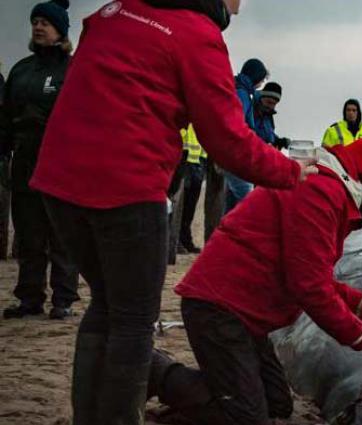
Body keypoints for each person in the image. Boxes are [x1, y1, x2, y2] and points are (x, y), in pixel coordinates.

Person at [28, 0, 317, 423]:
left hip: (58, 181)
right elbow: (228, 140)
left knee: (106, 305)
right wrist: (292, 173)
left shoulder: (114, 12)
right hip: (126, 187)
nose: (238, 7)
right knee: (131, 321)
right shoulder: (198, 35)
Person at [147, 138, 362, 425]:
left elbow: (310, 273)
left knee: (278, 404)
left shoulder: (333, 194)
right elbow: (309, 286)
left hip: (246, 316)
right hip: (220, 307)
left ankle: (204, 401)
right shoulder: (321, 193)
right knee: (248, 417)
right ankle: (154, 370)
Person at [1, 0, 80, 321]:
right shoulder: (20, 70)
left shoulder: (74, 68)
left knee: (61, 235)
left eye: (45, 22)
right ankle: (29, 297)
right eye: (35, 21)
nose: (38, 26)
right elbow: (5, 117)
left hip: (62, 163)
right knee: (29, 233)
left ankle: (63, 298)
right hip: (24, 162)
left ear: (60, 29)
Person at [225, 58, 270, 212]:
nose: (261, 84)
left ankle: (224, 232)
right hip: (238, 154)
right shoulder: (242, 93)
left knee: (232, 201)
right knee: (248, 202)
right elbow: (238, 122)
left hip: (233, 153)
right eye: (261, 80)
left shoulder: (241, 89)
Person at [179, 124, 207, 254]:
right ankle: (178, 240)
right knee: (182, 205)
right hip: (185, 160)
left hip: (198, 161)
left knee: (190, 206)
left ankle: (185, 238)